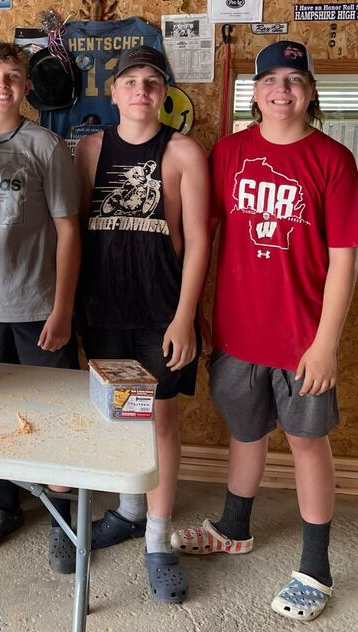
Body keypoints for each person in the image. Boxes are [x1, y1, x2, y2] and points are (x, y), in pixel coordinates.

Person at [170, 41, 358, 621]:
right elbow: (200, 237)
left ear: (310, 92)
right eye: (271, 78)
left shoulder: (334, 160)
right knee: (245, 434)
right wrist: (192, 311)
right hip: (236, 334)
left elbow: (345, 257)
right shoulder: (227, 153)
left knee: (306, 444)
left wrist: (326, 343)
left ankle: (316, 565)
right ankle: (234, 525)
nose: (282, 89)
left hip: (303, 342)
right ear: (254, 92)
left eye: (295, 79)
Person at [75, 45, 210, 603]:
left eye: (152, 83)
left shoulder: (182, 152)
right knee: (118, 417)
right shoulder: (88, 149)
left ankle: (158, 538)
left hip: (160, 310)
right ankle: (130, 512)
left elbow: (201, 238)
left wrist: (184, 317)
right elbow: (72, 232)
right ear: (114, 93)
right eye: (130, 81)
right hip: (103, 306)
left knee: (159, 421)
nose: (141, 91)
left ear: (165, 93)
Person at [0, 42, 81, 574]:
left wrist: (62, 308)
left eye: (13, 76)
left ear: (26, 87)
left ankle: (63, 520)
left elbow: (68, 230)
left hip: (36, 307)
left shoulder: (46, 145)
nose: (3, 85)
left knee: (53, 417)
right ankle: (4, 504)